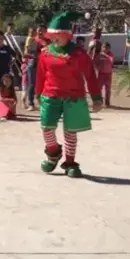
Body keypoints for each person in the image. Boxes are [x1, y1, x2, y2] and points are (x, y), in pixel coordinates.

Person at [37, 12, 103, 178]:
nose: (54, 38)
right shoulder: (45, 53)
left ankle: (70, 163)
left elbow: (90, 75)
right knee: (46, 128)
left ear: (67, 35)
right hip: (50, 95)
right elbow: (40, 75)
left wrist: (96, 97)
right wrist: (38, 94)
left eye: (57, 35)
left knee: (70, 131)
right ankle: (53, 153)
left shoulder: (79, 54)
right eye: (52, 35)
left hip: (73, 96)